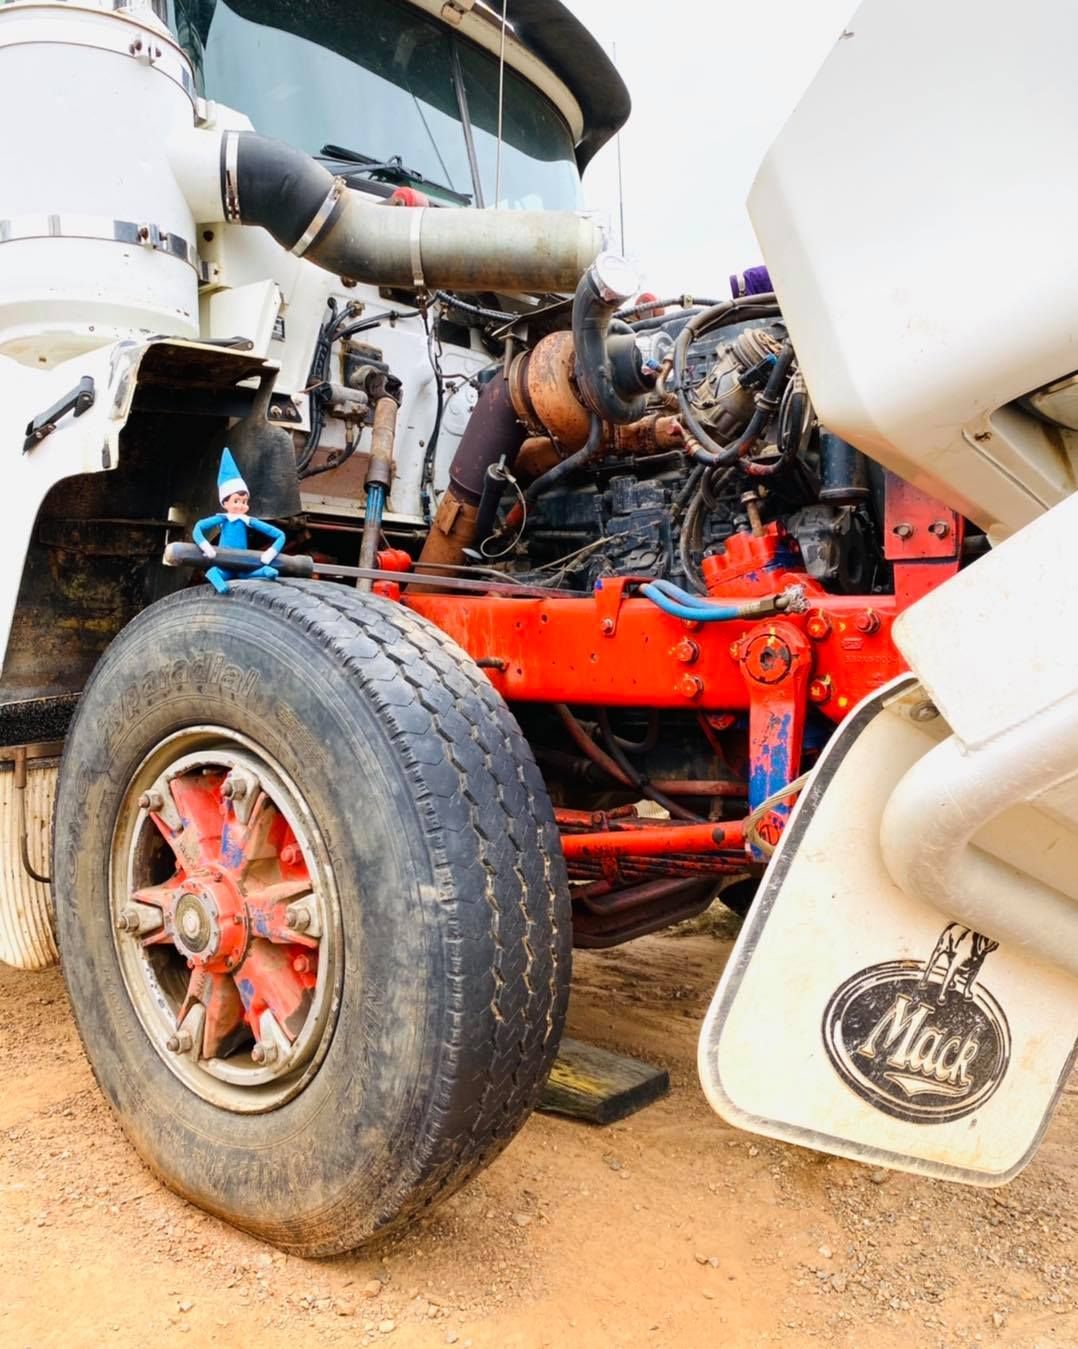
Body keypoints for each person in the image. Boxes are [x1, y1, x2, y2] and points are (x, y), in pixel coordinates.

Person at [192, 448, 286, 594]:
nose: (241, 506)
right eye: (236, 501)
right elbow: (198, 528)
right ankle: (215, 576)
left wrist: (270, 553)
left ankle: (265, 572)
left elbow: (280, 535)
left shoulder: (248, 520)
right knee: (221, 573)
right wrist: (206, 547)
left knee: (244, 574)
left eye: (244, 501)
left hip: (242, 562)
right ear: (225, 503)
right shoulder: (222, 519)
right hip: (224, 561)